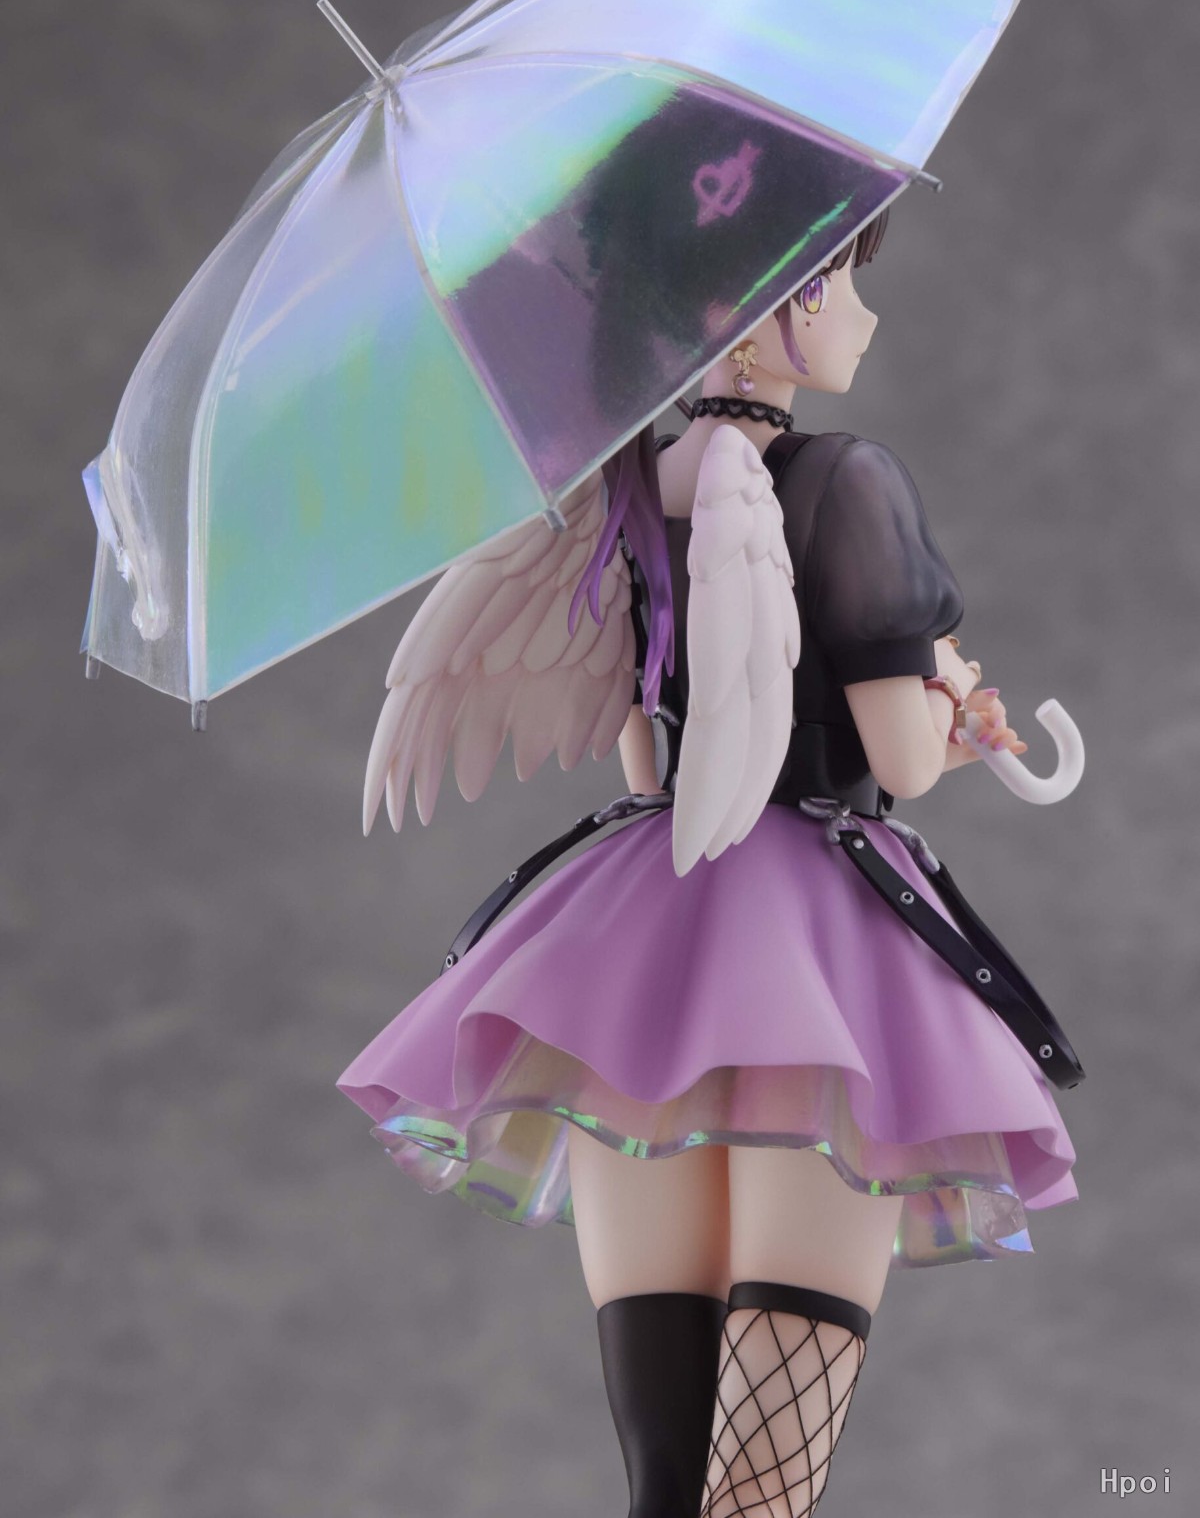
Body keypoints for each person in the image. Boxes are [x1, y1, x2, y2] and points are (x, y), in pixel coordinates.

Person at [337, 209, 1079, 1518]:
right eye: (840, 281)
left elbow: (647, 756)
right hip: (816, 959)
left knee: (665, 1480)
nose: (863, 315)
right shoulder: (848, 481)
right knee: (763, 1485)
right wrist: (957, 715)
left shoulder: (624, 489)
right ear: (767, 312)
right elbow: (899, 764)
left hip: (642, 948)